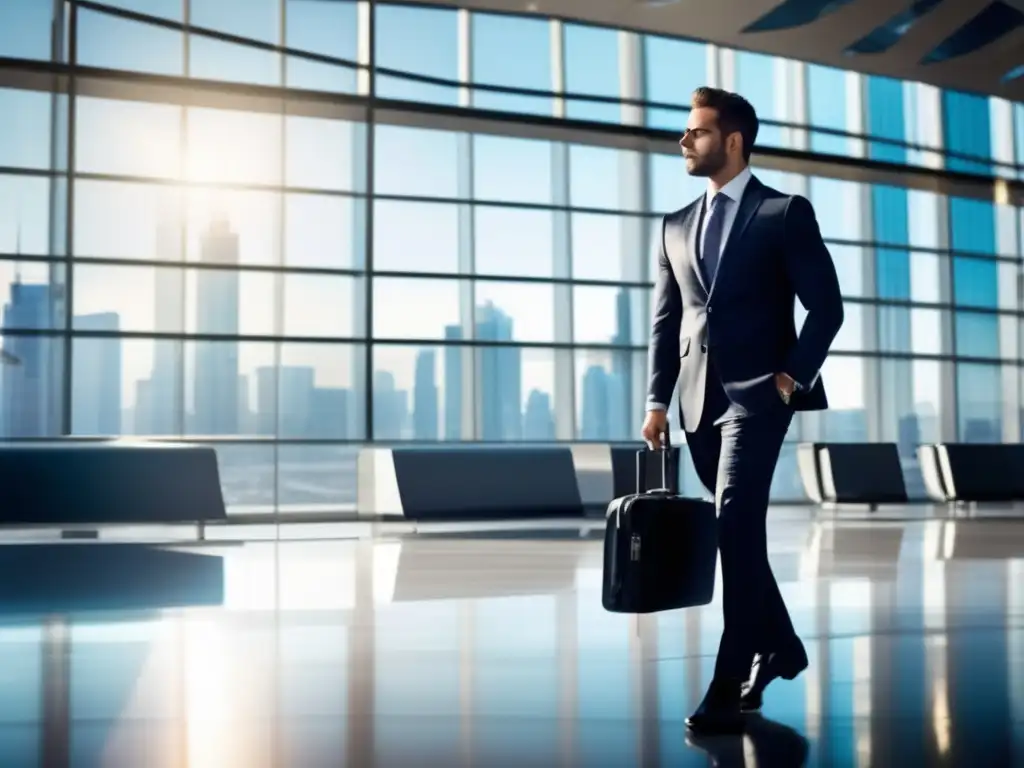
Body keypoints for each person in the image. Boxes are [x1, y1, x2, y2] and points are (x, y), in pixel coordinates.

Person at [641, 87, 844, 734]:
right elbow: (667, 322)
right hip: (698, 404)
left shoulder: (784, 213)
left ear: (733, 141)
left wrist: (791, 377)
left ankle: (728, 682)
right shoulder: (673, 224)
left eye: (696, 132)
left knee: (735, 518)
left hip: (761, 397)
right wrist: (655, 401)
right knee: (738, 534)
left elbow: (827, 307)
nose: (684, 141)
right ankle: (782, 647)